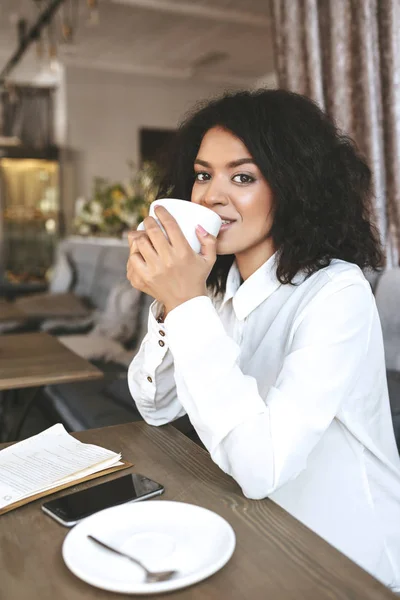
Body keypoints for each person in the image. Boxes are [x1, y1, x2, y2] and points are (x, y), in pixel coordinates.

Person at [126, 89, 400, 590]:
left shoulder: (337, 292)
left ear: (293, 187)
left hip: (346, 557)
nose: (211, 196)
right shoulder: (214, 285)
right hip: (259, 528)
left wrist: (185, 304)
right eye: (204, 174)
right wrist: (171, 304)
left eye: (243, 177)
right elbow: (156, 407)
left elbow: (260, 467)